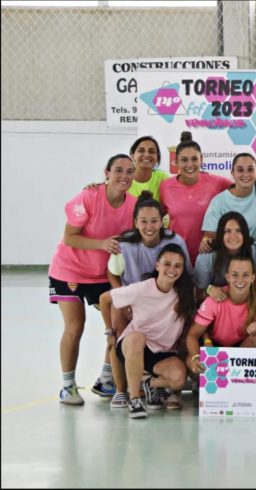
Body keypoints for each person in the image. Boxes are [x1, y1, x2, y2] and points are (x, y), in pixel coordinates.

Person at [49, 154, 137, 405]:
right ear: (106, 173)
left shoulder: (132, 205)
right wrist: (102, 243)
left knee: (118, 325)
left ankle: (105, 380)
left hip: (104, 274)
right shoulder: (87, 197)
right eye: (118, 170)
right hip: (70, 270)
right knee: (75, 327)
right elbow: (70, 238)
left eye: (129, 171)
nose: (124, 176)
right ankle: (68, 386)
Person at [105, 191, 192, 409]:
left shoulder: (175, 241)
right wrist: (124, 301)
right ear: (135, 222)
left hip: (162, 296)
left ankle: (151, 383)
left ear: (162, 221)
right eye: (143, 221)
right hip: (132, 297)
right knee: (118, 337)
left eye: (154, 221)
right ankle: (121, 391)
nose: (149, 226)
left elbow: (185, 272)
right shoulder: (124, 243)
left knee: (171, 334)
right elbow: (112, 274)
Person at [99, 243, 196, 419]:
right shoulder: (142, 288)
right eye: (167, 264)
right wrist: (109, 331)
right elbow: (104, 299)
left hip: (162, 351)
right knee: (137, 337)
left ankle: (149, 383)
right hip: (134, 345)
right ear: (157, 265)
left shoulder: (185, 293)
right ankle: (135, 400)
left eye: (177, 266)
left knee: (179, 378)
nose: (172, 269)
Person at [186, 256, 256, 376]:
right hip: (214, 347)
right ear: (227, 277)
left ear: (253, 277)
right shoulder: (215, 300)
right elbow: (192, 335)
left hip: (241, 351)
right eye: (235, 275)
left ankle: (241, 383)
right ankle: (201, 389)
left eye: (245, 275)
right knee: (191, 362)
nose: (240, 280)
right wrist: (196, 357)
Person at [159, 131, 231, 265]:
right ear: (176, 162)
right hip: (177, 258)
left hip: (208, 257)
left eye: (194, 159)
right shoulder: (166, 186)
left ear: (201, 159)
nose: (190, 165)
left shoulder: (216, 183)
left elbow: (241, 187)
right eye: (184, 160)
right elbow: (157, 217)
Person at [201, 152, 256, 254]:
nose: (245, 174)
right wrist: (206, 241)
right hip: (232, 267)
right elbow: (210, 236)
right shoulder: (218, 202)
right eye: (240, 170)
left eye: (250, 169)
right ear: (232, 173)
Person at [127, 136, 170, 200]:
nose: (146, 155)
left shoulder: (162, 178)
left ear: (157, 157)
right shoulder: (125, 179)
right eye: (141, 150)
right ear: (132, 155)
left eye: (151, 151)